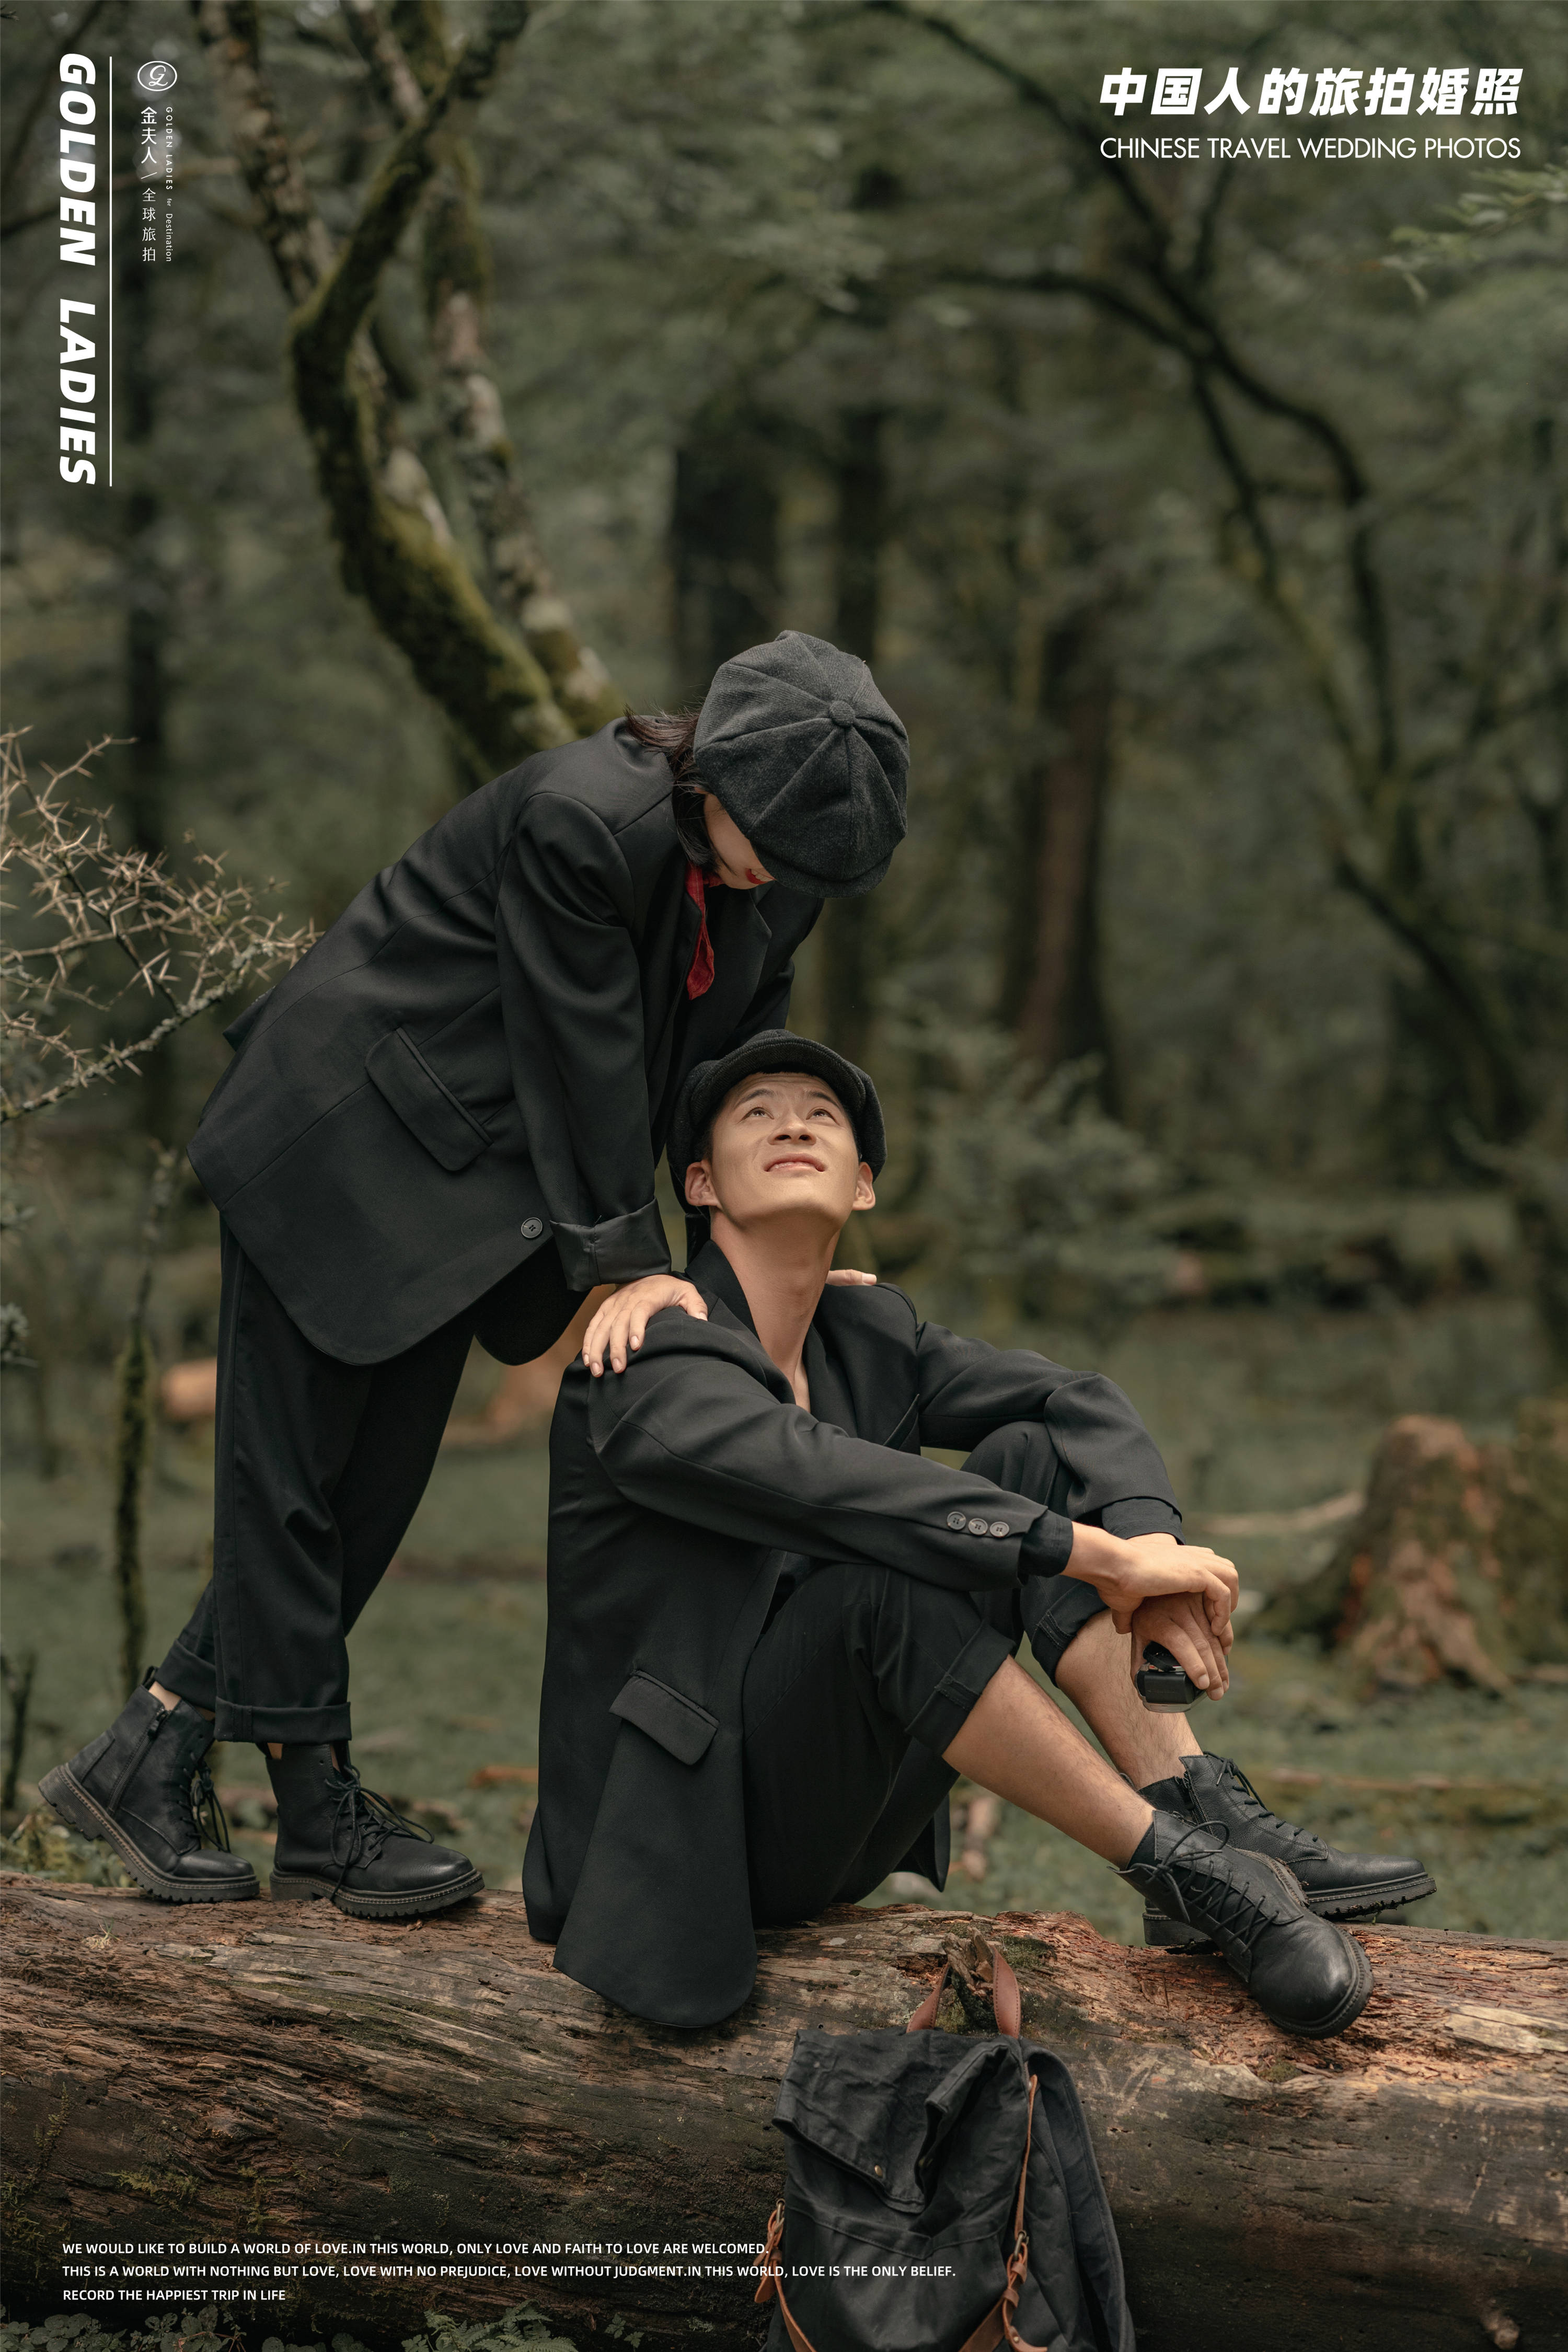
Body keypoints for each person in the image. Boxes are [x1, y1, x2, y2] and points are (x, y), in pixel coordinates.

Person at [42, 633, 908, 1919]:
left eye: (809, 863)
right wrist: (627, 1267)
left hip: (466, 1192)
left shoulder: (777, 876)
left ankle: (149, 1752)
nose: (777, 875)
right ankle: (314, 1811)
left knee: (370, 1495)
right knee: (295, 1487)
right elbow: (588, 1057)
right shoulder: (583, 821)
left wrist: (764, 1260)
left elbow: (711, 1079)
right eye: (770, 844)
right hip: (340, 1136)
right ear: (717, 768)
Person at [523, 1033, 1434, 2035]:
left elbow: (1076, 1399)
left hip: (836, 1798)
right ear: (701, 1184)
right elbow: (831, 1483)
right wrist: (1099, 1558)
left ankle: (1192, 1802)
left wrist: (1151, 1550)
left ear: (863, 1186)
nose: (794, 1124)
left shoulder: (868, 1332)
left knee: (1032, 1451)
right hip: (682, 1843)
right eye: (758, 1113)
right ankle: (1192, 1874)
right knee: (884, 1580)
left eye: (822, 1115)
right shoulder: (650, 1355)